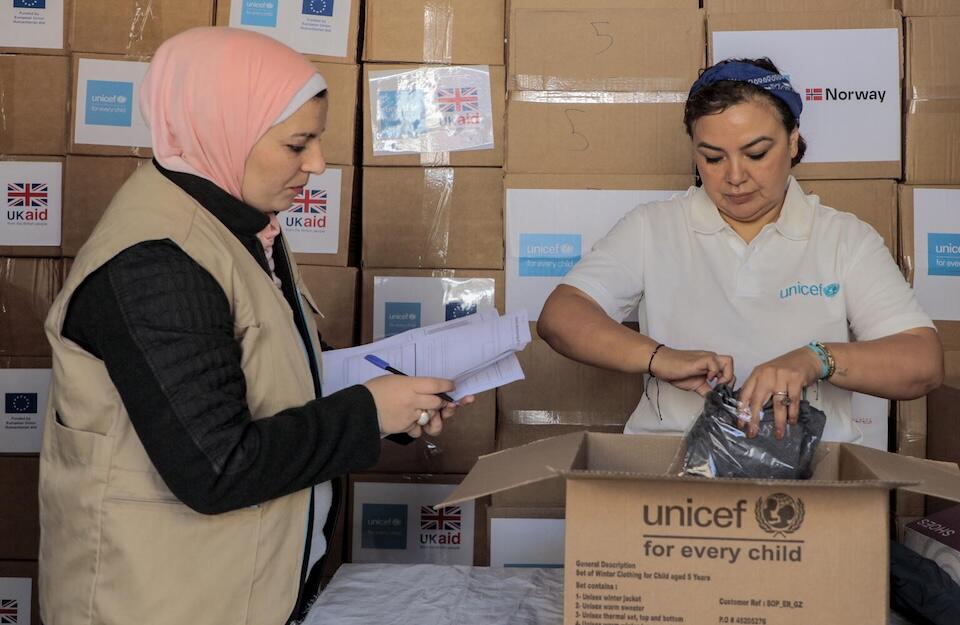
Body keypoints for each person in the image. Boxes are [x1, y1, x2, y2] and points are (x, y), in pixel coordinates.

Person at [38, 27, 472, 625]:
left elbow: (272, 371)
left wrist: (394, 399)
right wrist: (367, 413)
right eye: (299, 144)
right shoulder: (157, 265)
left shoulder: (237, 222)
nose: (317, 164)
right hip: (157, 606)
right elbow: (217, 469)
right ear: (226, 130)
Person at [538, 57, 943, 444]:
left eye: (756, 154)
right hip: (673, 473)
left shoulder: (843, 238)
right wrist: (658, 357)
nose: (734, 177)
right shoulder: (653, 227)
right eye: (713, 158)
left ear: (793, 142)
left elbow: (922, 362)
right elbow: (560, 316)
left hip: (810, 476)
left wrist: (817, 360)